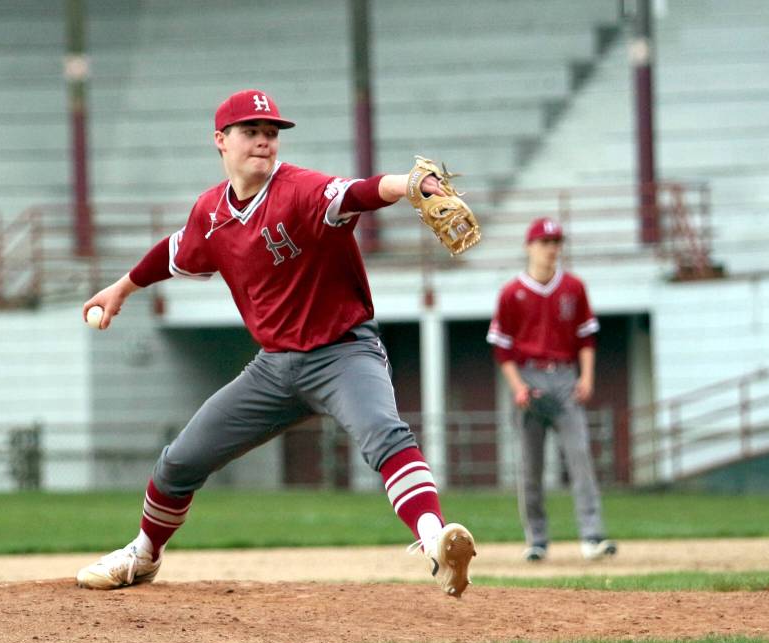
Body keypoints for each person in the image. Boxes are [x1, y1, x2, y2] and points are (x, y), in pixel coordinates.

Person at [75, 89, 476, 597]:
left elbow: (360, 192)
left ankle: (436, 540)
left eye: (271, 133)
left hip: (343, 353)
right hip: (274, 368)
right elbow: (174, 251)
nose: (264, 141)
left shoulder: (300, 190)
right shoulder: (212, 214)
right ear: (220, 141)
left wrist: (411, 183)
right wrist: (121, 288)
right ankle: (144, 553)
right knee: (179, 460)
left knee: (384, 434)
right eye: (251, 132)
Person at [486, 217, 616, 562]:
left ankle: (592, 536)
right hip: (530, 378)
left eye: (556, 242)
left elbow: (586, 337)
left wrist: (586, 378)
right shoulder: (511, 292)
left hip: (564, 377)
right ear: (530, 247)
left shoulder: (573, 287)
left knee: (580, 458)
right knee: (530, 467)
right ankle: (537, 539)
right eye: (545, 243)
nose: (552, 249)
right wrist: (517, 386)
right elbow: (503, 348)